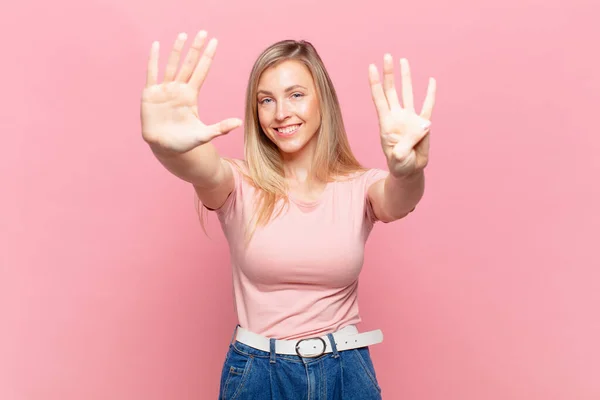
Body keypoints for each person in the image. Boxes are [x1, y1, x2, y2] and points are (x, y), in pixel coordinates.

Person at [140, 29, 436, 400]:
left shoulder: (361, 186)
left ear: (322, 102)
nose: (281, 113)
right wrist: (165, 145)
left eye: (296, 95)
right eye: (266, 100)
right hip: (259, 374)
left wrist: (409, 170)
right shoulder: (238, 183)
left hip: (345, 372)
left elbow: (399, 199)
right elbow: (200, 167)